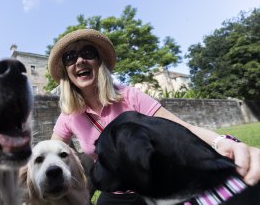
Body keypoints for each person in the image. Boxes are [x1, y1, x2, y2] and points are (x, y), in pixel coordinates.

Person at [48, 28, 260, 204]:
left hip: (156, 183)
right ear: (67, 72)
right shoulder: (69, 116)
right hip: (117, 193)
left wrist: (220, 141)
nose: (80, 61)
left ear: (99, 62)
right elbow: (49, 156)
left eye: (88, 52)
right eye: (70, 57)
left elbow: (182, 128)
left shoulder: (130, 96)